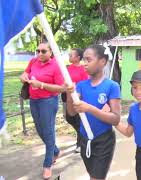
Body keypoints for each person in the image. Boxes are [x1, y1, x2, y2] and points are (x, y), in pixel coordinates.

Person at [66, 44, 121, 180]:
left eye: (88, 60)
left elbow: (115, 119)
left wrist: (90, 108)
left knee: (97, 177)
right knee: (93, 175)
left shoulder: (112, 86)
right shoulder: (81, 85)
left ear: (102, 61)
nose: (84, 64)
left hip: (103, 141)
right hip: (85, 139)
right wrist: (69, 94)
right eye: (84, 60)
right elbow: (71, 112)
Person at [19, 42, 65, 179]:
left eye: (43, 51)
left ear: (51, 52)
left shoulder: (56, 66)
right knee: (40, 130)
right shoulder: (33, 61)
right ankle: (55, 150)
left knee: (48, 131)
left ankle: (47, 165)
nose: (39, 54)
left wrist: (42, 85)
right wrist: (23, 78)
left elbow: (61, 88)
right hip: (34, 101)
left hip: (48, 102)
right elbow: (24, 74)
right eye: (37, 50)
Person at [62, 48, 89, 153]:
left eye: (71, 55)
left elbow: (85, 84)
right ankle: (82, 135)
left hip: (77, 97)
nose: (69, 56)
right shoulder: (66, 68)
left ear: (78, 58)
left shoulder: (83, 69)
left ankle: (80, 143)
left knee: (78, 119)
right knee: (68, 118)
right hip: (66, 96)